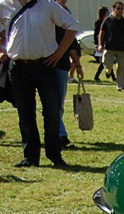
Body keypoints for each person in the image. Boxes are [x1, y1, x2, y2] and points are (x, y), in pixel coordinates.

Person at [0, 0, 81, 167]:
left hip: (46, 65)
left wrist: (59, 53)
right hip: (18, 67)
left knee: (52, 112)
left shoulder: (48, 5)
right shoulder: (4, 4)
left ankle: (54, 155)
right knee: (25, 114)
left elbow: (72, 26)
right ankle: (30, 157)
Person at [54, 0, 83, 148]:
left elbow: (72, 43)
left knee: (58, 102)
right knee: (52, 102)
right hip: (45, 64)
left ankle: (59, 133)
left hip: (62, 65)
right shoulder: (47, 11)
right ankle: (59, 134)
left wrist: (78, 65)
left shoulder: (67, 15)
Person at [98, 1, 124, 91]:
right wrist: (100, 45)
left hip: (122, 49)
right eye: (118, 8)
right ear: (114, 9)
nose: (120, 10)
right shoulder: (108, 20)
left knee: (122, 68)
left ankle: (120, 86)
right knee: (107, 63)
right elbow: (101, 33)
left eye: (122, 9)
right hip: (109, 48)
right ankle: (108, 71)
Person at [92, 6, 108, 80]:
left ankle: (110, 75)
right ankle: (111, 76)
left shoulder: (106, 22)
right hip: (100, 44)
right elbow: (96, 34)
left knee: (105, 61)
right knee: (104, 61)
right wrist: (98, 44)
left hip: (105, 43)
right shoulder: (99, 22)